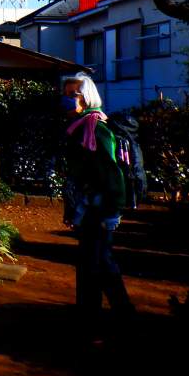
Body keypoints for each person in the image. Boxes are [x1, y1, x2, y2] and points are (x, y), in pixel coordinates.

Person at [61, 72, 134, 337]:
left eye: (74, 95)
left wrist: (113, 209)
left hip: (100, 206)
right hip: (89, 205)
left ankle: (108, 318)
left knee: (99, 262)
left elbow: (111, 172)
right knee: (94, 261)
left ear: (87, 97)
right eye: (66, 94)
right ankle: (95, 315)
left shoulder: (95, 127)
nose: (68, 100)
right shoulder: (80, 126)